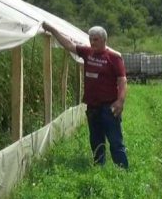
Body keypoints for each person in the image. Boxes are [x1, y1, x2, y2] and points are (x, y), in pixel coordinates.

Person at [42, 22, 129, 169]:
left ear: (103, 40)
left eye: (95, 39)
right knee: (96, 139)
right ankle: (99, 168)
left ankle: (122, 169)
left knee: (115, 140)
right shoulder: (87, 52)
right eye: (90, 39)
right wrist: (52, 29)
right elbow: (69, 45)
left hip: (109, 107)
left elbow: (122, 80)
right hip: (93, 106)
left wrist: (120, 101)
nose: (92, 42)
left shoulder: (114, 58)